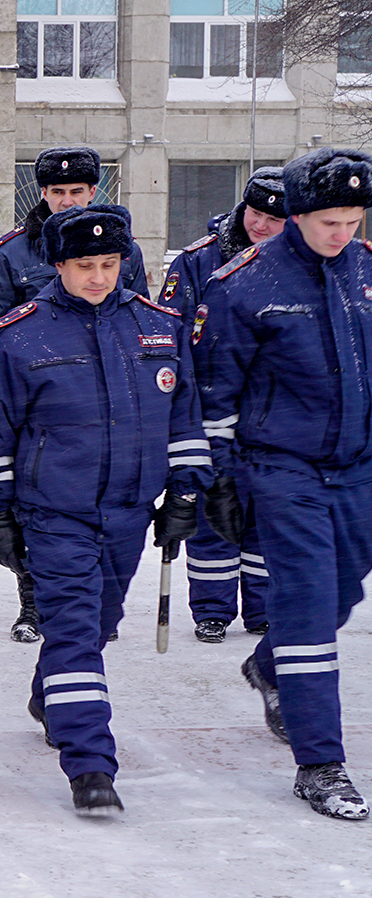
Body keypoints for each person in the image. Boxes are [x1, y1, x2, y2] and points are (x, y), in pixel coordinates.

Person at [0, 205, 209, 816]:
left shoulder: (159, 327)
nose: (99, 277)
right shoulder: (18, 335)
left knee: (97, 626)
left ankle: (50, 695)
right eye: (85, 265)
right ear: (58, 265)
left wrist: (185, 490)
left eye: (109, 264)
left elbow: (184, 418)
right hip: (54, 513)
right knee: (76, 631)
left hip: (131, 509)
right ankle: (90, 765)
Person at [199, 147, 372, 821]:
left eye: (352, 221)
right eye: (330, 220)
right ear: (297, 215)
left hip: (357, 467)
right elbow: (214, 394)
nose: (341, 234)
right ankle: (320, 763)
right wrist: (217, 478)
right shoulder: (244, 284)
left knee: (344, 592)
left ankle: (271, 667)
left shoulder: (366, 273)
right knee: (304, 606)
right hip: (282, 468)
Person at [0, 146, 151, 645]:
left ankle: (88, 608)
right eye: (57, 192)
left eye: (77, 192)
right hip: (38, 401)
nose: (68, 202)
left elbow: (138, 318)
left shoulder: (123, 249)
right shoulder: (10, 253)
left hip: (106, 398)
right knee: (39, 509)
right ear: (42, 193)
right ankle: (35, 602)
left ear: (94, 192)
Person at [159, 166, 284, 644]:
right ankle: (211, 609)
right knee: (213, 509)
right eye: (254, 214)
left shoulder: (299, 261)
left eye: (273, 220)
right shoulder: (197, 261)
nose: (260, 226)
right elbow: (170, 334)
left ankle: (263, 607)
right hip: (209, 403)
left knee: (266, 515)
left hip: (273, 411)